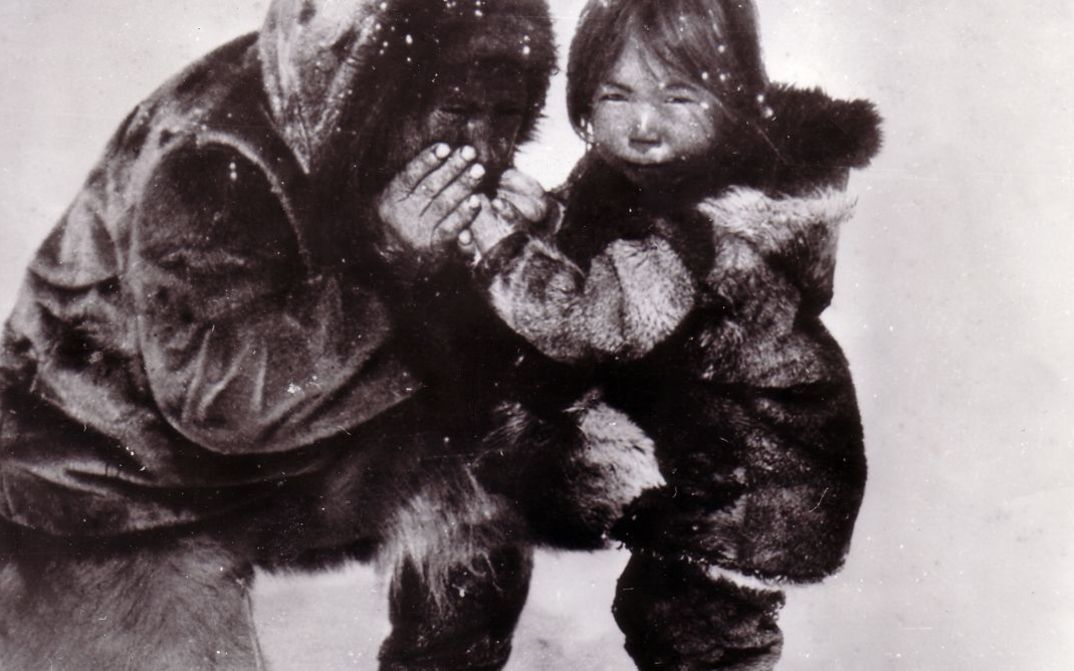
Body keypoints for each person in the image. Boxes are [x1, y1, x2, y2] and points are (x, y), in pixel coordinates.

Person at [0, 0, 557, 669]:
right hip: (104, 477)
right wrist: (390, 257)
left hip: (270, 453)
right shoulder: (212, 154)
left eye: (505, 115)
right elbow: (218, 397)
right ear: (391, 97)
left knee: (489, 476)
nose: (484, 148)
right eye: (458, 111)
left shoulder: (376, 120)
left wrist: (522, 259)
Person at [461, 0, 881, 668]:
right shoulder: (636, 179)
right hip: (716, 457)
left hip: (759, 476)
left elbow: (593, 325)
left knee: (692, 625)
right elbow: (606, 251)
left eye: (678, 97)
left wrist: (504, 251)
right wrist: (548, 222)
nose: (643, 125)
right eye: (616, 95)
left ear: (731, 103)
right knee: (661, 610)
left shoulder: (698, 222)